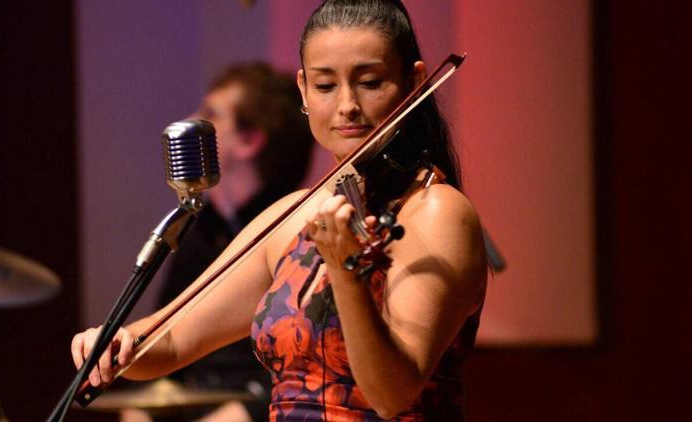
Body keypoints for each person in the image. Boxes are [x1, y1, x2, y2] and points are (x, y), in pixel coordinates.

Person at [72, 1, 488, 420]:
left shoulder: (436, 213)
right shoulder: (291, 215)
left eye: (370, 81)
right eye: (326, 86)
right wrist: (115, 342)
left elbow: (392, 395)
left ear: (414, 82)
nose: (347, 105)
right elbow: (174, 340)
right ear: (304, 90)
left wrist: (345, 272)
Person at [154, 62, 313, 422]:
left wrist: (246, 412)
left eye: (211, 114)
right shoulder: (199, 231)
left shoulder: (297, 231)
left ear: (249, 140)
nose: (192, 119)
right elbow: (163, 339)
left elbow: (306, 365)